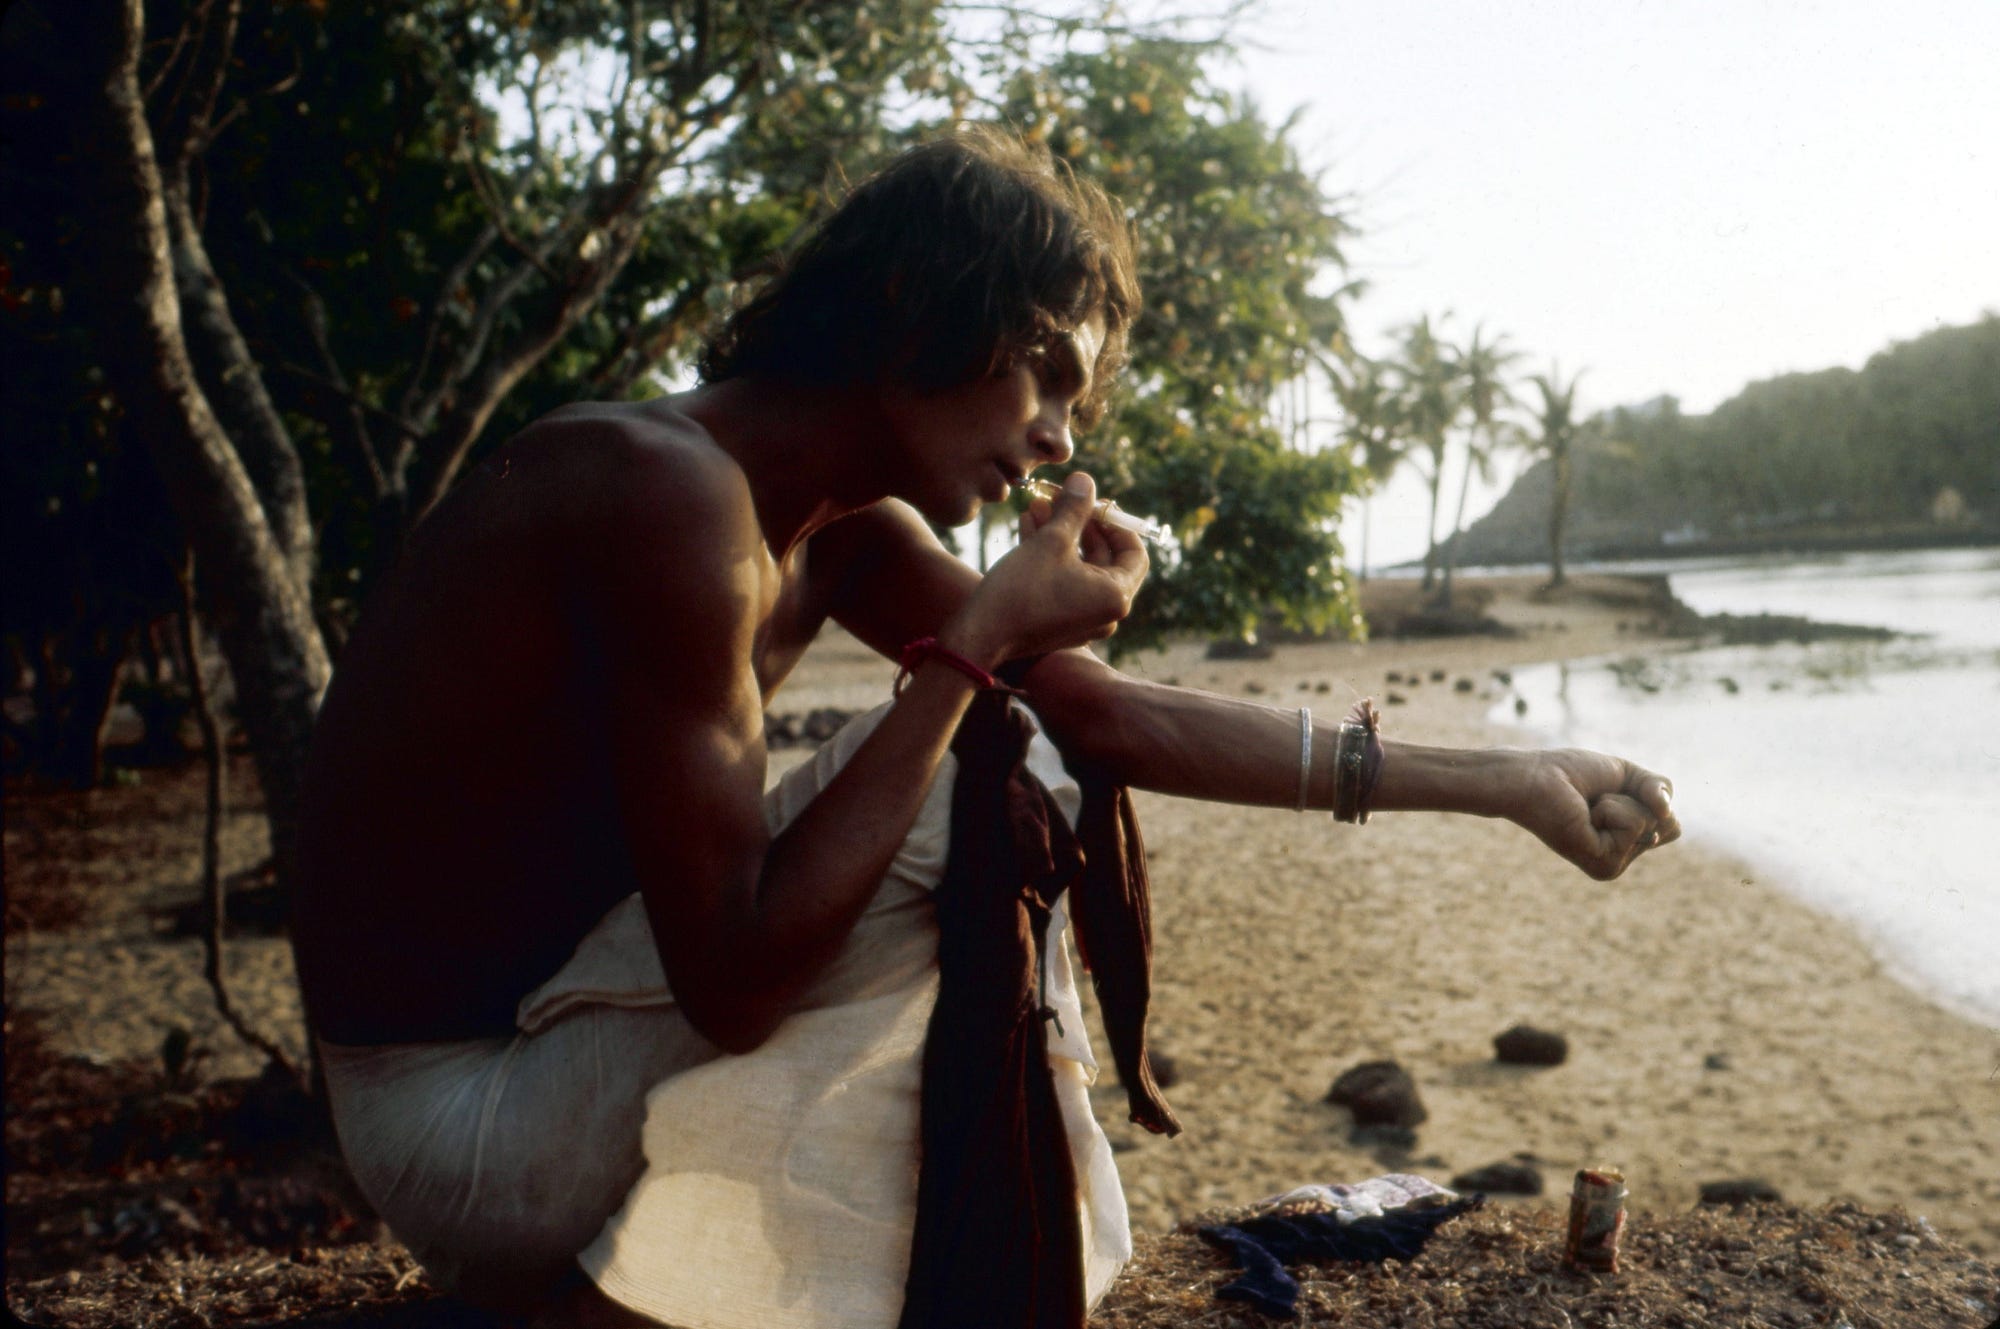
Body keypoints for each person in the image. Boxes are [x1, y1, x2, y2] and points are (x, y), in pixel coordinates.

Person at [291, 129, 1678, 1327]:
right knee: (978, 789)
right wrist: (977, 644)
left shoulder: (833, 534)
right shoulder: (663, 495)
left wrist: (1507, 778)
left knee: (1030, 760)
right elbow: (733, 979)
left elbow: (1111, 717)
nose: (1057, 441)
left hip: (549, 1069)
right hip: (459, 1131)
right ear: (914, 311)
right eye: (1047, 374)